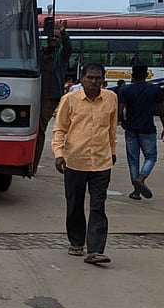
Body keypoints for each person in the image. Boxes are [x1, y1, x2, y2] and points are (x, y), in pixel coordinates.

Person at [52, 62, 117, 266]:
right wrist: (59, 154)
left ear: (103, 80)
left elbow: (112, 130)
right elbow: (60, 129)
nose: (94, 82)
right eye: (90, 77)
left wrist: (113, 152)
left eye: (98, 78)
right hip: (74, 161)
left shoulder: (111, 98)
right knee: (75, 204)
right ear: (82, 79)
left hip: (102, 161)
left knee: (98, 205)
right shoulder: (69, 100)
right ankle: (77, 242)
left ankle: (96, 249)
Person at [117, 65, 164, 201]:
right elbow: (161, 110)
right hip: (147, 128)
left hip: (131, 129)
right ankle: (141, 178)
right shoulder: (154, 89)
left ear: (132, 75)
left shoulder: (125, 90)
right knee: (151, 157)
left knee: (133, 160)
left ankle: (136, 191)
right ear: (146, 74)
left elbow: (120, 111)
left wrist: (123, 123)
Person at [34, 19, 72, 172]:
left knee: (40, 128)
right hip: (34, 93)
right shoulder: (40, 53)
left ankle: (34, 164)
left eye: (57, 38)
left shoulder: (61, 56)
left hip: (50, 96)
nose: (53, 39)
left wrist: (64, 33)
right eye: (51, 37)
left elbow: (68, 48)